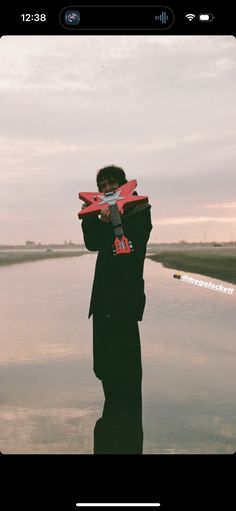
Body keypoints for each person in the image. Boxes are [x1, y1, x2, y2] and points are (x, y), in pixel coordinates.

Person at [80, 165, 152, 452]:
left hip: (126, 297)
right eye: (102, 183)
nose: (107, 187)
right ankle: (110, 423)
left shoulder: (140, 210)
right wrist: (94, 217)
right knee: (105, 364)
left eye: (112, 182)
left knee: (128, 367)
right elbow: (92, 243)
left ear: (125, 185)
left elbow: (139, 236)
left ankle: (127, 428)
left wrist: (115, 220)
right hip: (102, 299)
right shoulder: (97, 213)